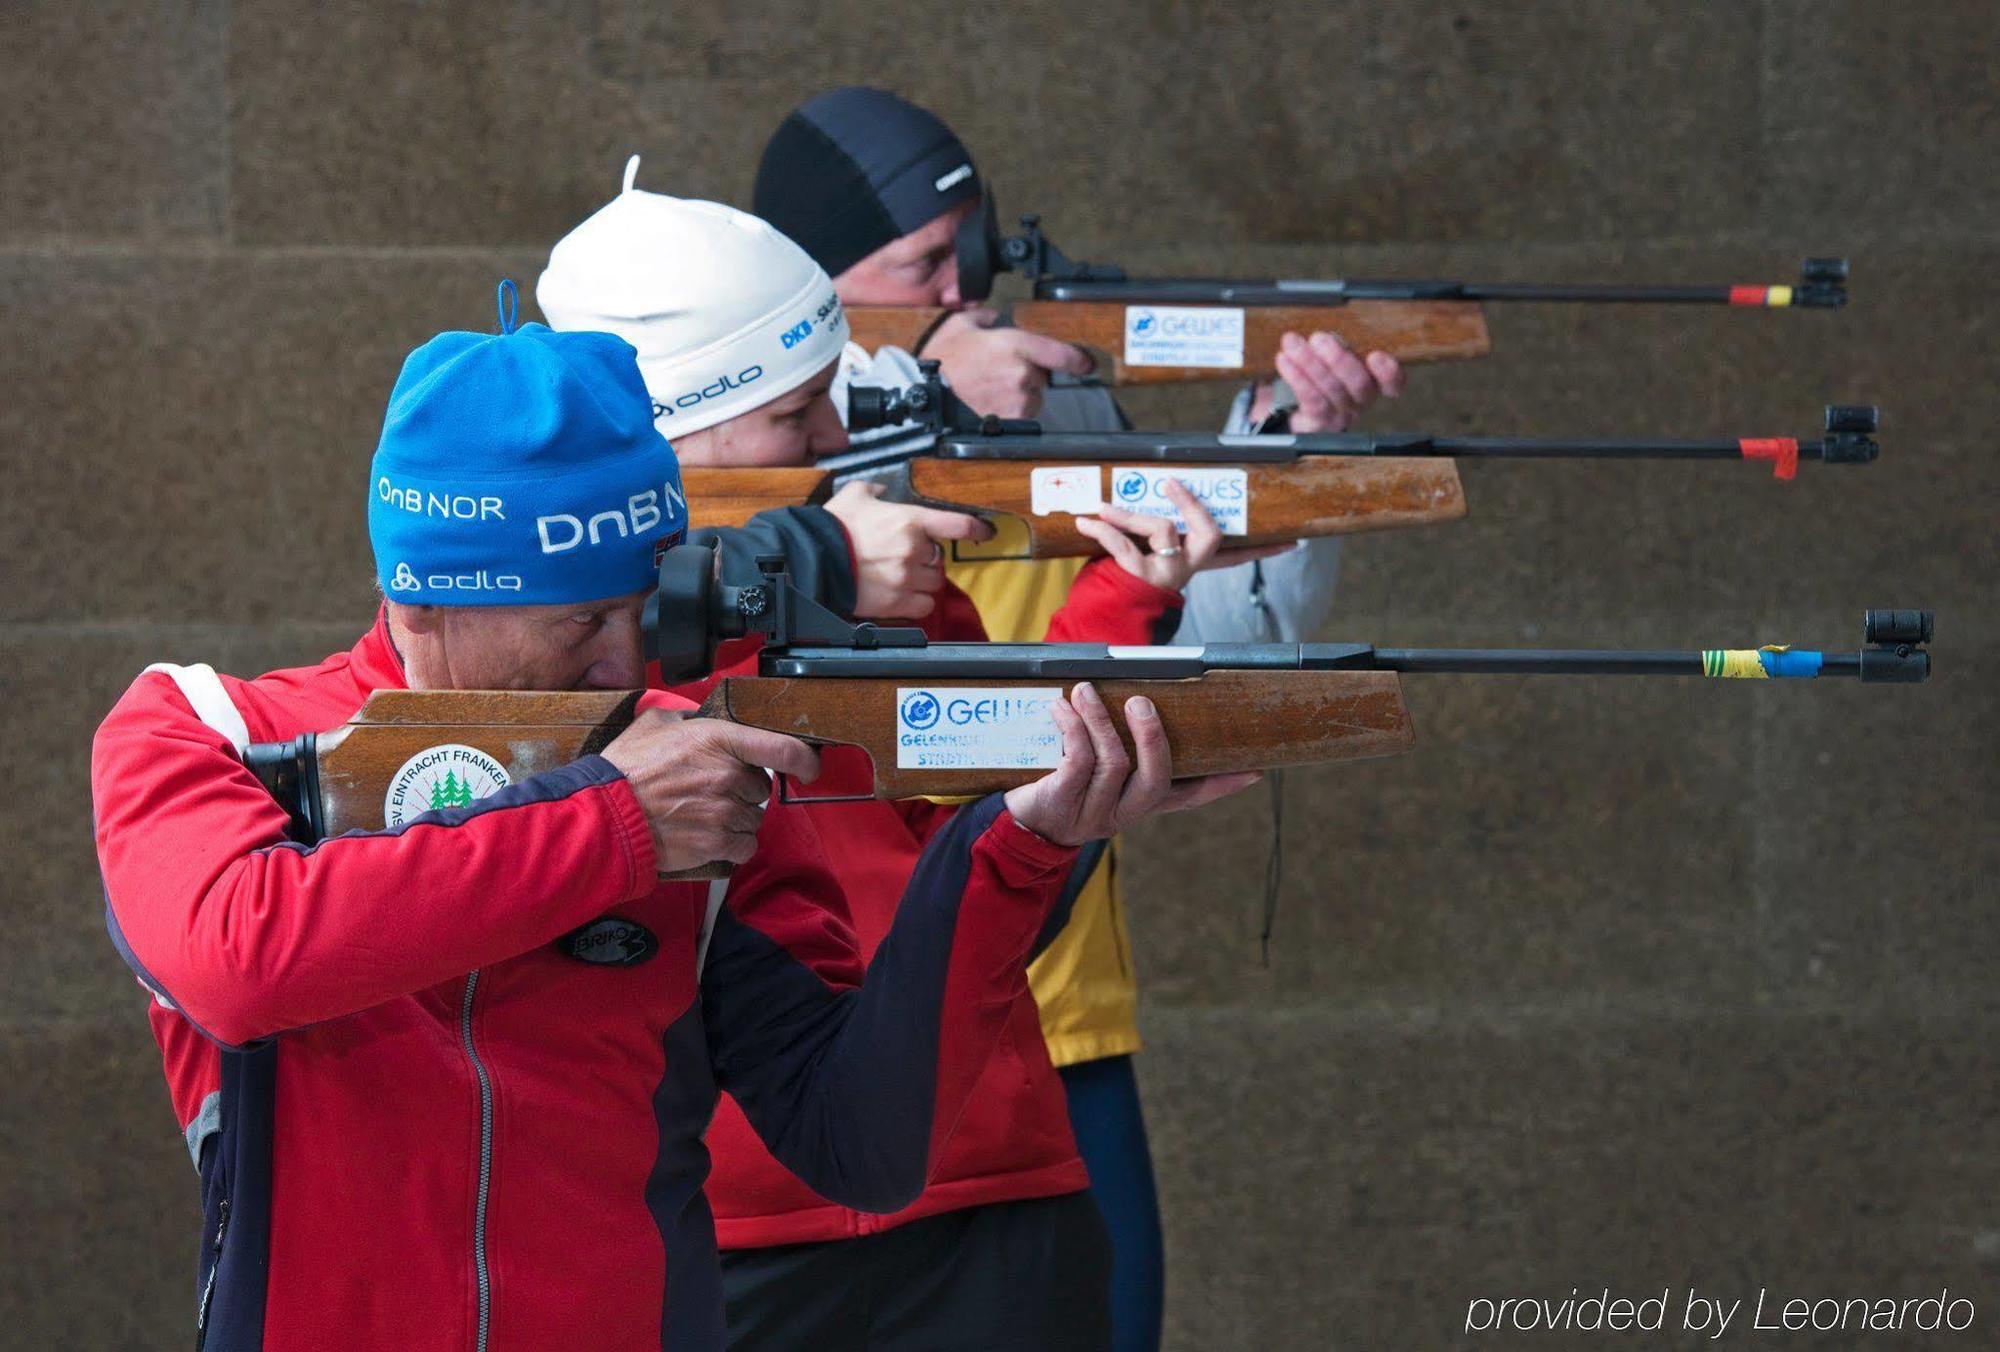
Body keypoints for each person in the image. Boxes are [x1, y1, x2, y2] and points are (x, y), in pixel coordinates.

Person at [89, 288, 1251, 1351]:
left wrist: (1015, 842)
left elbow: (862, 1142)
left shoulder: (669, 768)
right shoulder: (206, 730)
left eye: (642, 608)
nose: (625, 659)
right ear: (422, 593)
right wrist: (611, 824)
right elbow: (236, 957)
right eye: (581, 616)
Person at [538, 179, 1286, 1349]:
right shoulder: (559, 627)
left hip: (988, 1176)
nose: (838, 445)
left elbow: (988, 886)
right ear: (673, 436)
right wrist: (801, 554)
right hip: (720, 1226)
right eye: (795, 420)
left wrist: (1119, 605)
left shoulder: (887, 581)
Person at [753, 87, 1410, 1352]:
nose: (971, 284)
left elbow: (1233, 664)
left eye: (973, 250)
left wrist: (1284, 458)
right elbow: (748, 570)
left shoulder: (1048, 418)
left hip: (1060, 1006)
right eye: (922, 267)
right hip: (839, 1028)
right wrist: (896, 392)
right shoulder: (760, 441)